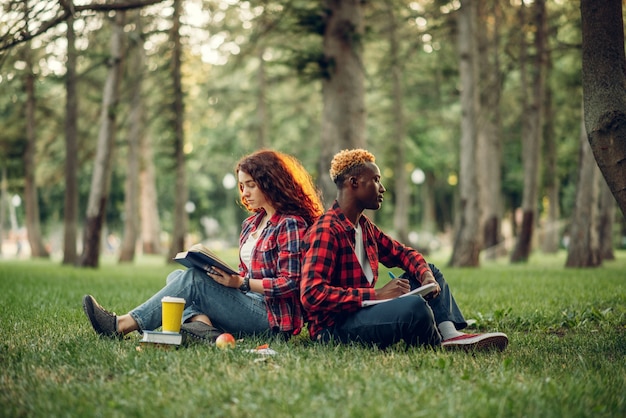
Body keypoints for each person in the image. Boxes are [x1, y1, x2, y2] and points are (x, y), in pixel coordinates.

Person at [83, 150, 324, 343]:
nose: (245, 193)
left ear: (271, 183)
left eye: (251, 185)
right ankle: (205, 330)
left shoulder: (290, 224)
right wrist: (226, 276)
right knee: (177, 275)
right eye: (242, 186)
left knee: (192, 281)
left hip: (271, 320)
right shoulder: (252, 223)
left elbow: (292, 283)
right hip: (248, 301)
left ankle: (121, 325)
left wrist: (240, 283)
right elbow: (248, 274)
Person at [300, 149, 508, 351]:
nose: (382, 188)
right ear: (353, 182)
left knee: (431, 270)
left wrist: (425, 276)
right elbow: (311, 294)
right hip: (333, 328)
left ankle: (451, 335)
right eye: (376, 180)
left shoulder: (364, 227)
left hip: (362, 312)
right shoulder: (326, 230)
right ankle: (439, 343)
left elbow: (404, 253)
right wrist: (377, 295)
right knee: (413, 307)